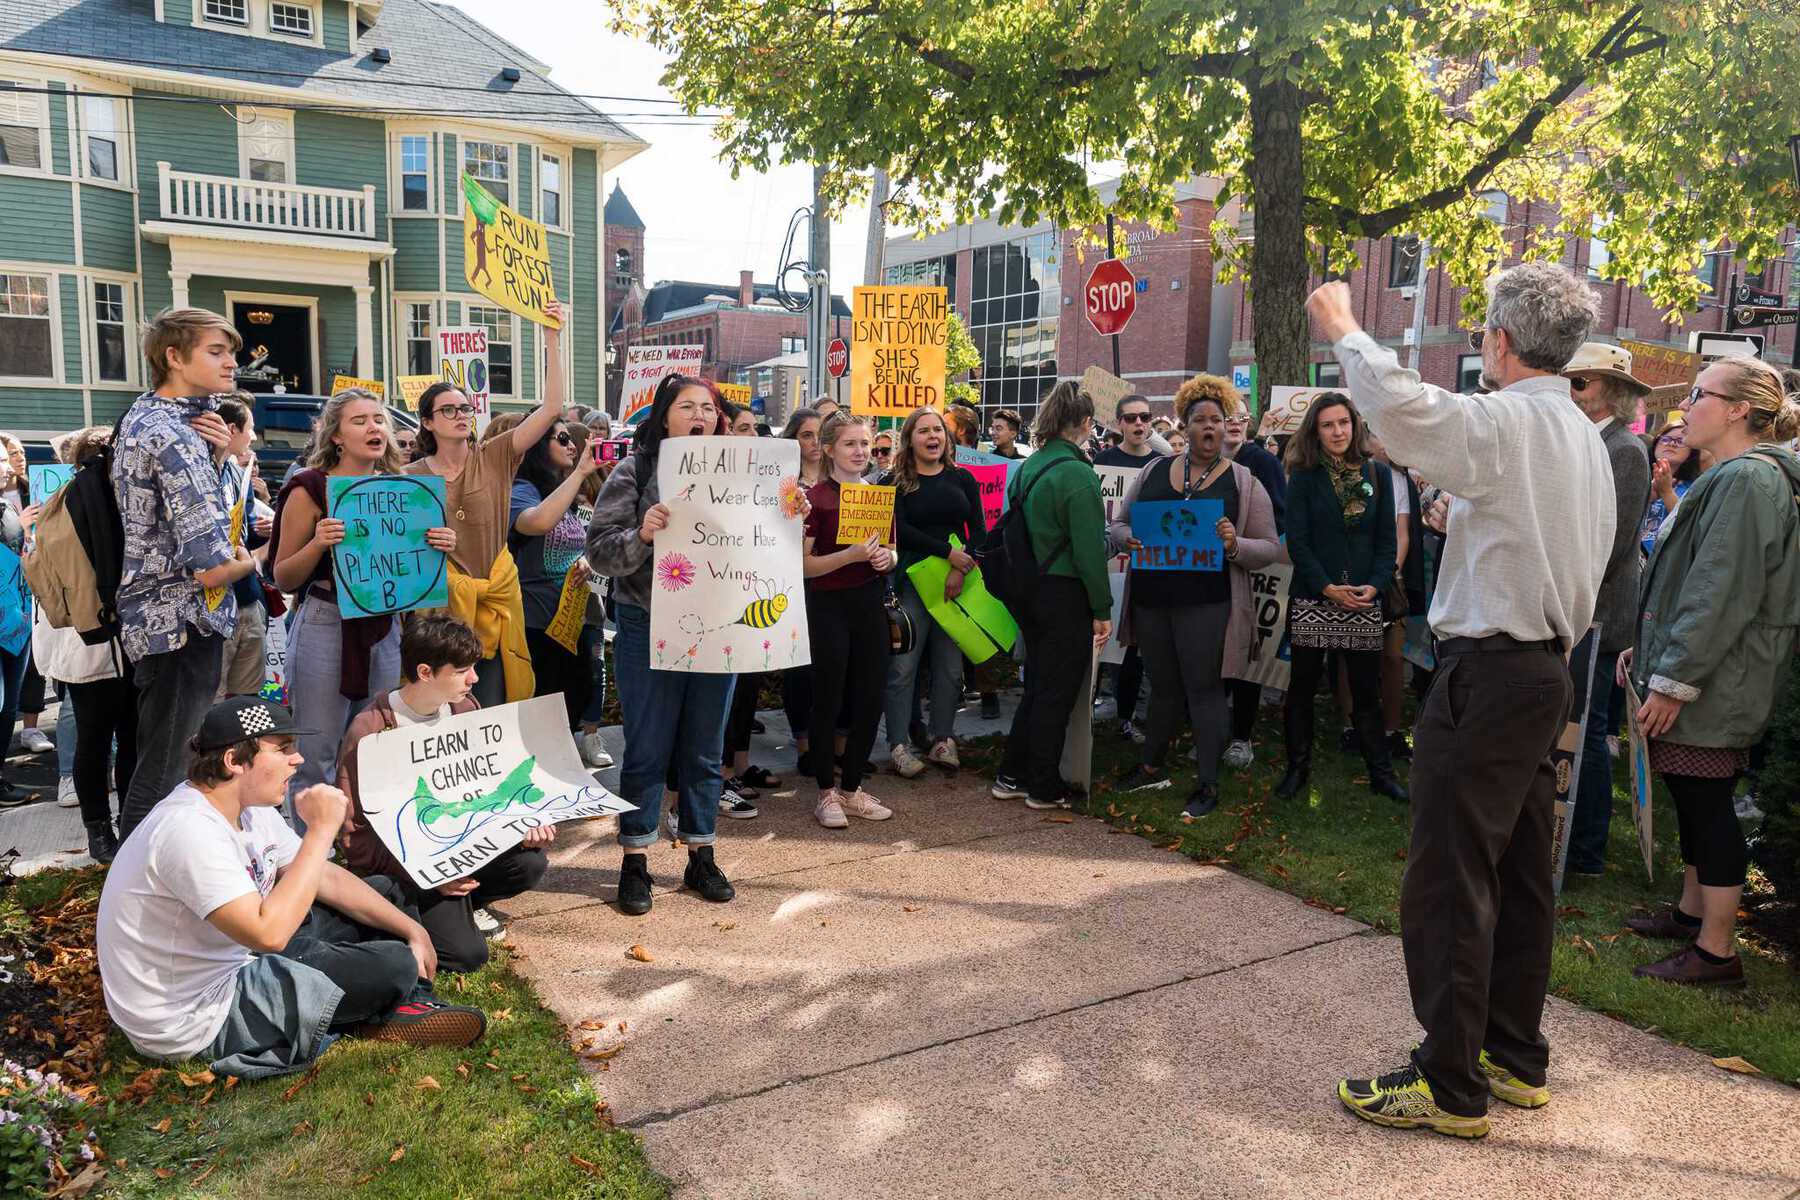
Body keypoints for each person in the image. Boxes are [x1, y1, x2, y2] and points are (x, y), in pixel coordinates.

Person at [1309, 262, 1613, 1139]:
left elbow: (1409, 414)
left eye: (1483, 331)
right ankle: (1513, 1055)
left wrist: (1344, 328)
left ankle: (1448, 1078)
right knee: (1517, 870)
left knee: (1447, 873)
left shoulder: (1511, 420)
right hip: (1545, 666)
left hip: (1490, 673)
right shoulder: (1581, 434)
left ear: (1500, 342)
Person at [95, 697, 487, 1079]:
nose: (297, 759)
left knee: (386, 895)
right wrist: (321, 830)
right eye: (283, 749)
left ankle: (388, 1005)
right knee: (394, 962)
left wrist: (412, 929)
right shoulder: (188, 830)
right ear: (234, 761)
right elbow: (269, 934)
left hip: (237, 958)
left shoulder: (247, 809)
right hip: (198, 1014)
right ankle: (394, 1004)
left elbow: (324, 878)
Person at [1623, 357, 1800, 986]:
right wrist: (1646, 656)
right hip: (1707, 672)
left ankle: (1717, 951)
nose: (1686, 405)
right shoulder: (1730, 476)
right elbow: (1686, 582)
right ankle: (1691, 913)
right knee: (1695, 798)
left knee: (1706, 802)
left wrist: (1673, 680)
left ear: (1737, 410)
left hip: (1718, 680)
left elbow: (1720, 591)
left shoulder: (1750, 481)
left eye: (1700, 394)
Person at [587, 374, 742, 916]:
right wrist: (643, 535)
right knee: (648, 748)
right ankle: (635, 861)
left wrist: (787, 515)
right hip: (647, 626)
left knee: (704, 750)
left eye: (708, 407)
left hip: (719, 627)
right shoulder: (636, 471)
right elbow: (602, 553)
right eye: (687, 406)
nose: (700, 415)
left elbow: (762, 545)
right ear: (665, 416)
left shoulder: (743, 476)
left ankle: (702, 854)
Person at [113, 308, 260, 841]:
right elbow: (213, 565)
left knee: (163, 762)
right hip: (179, 623)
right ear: (174, 357)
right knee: (166, 774)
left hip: (165, 619)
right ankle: (138, 901)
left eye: (232, 352)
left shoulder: (155, 419)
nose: (231, 363)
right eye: (216, 352)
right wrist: (265, 558)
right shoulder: (171, 435)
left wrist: (219, 455)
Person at [336, 616, 555, 970]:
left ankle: (466, 903)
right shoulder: (370, 730)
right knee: (468, 955)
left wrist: (523, 826)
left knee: (530, 862)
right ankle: (407, 913)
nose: (475, 678)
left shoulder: (465, 709)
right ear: (425, 672)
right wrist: (427, 877)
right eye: (462, 671)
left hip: (457, 852)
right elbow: (356, 837)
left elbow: (485, 793)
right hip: (405, 867)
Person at [1106, 385, 1284, 818]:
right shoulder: (1153, 472)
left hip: (1206, 604)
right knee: (1163, 686)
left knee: (1203, 690)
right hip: (1152, 600)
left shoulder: (1243, 482)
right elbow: (1118, 524)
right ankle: (1151, 765)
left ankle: (1207, 783)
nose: (1210, 426)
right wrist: (1125, 537)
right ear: (1186, 424)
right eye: (1201, 419)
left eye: (1217, 420)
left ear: (1227, 428)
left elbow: (1269, 548)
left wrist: (1233, 544)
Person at [271, 390, 454, 809]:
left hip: (386, 625)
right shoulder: (310, 488)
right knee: (315, 753)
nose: (374, 428)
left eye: (379, 420)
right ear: (335, 435)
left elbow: (413, 566)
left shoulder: (404, 491)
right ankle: (311, 859)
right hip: (326, 623)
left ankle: (367, 851)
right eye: (360, 421)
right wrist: (318, 543)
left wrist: (439, 543)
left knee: (376, 747)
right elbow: (283, 574)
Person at [410, 301, 568, 707]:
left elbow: (551, 409)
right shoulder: (409, 476)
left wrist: (551, 339)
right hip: (438, 612)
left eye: (465, 408)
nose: (460, 415)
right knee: (441, 711)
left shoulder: (495, 454)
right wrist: (425, 542)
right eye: (448, 410)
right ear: (428, 422)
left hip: (494, 606)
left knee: (492, 705)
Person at [1273, 393, 1406, 803]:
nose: (1337, 431)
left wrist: (1376, 584)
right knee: (1302, 689)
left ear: (1355, 425)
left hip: (1363, 600)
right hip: (1315, 598)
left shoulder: (1378, 474)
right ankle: (1297, 770)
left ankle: (1380, 774)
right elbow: (1298, 541)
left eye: (1343, 423)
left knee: (1367, 692)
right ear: (1316, 429)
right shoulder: (1303, 475)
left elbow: (1387, 542)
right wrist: (1327, 588)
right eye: (1328, 425)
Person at [990, 383, 1111, 810]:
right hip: (1064, 593)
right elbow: (1090, 551)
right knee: (1055, 691)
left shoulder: (1029, 467)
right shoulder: (1077, 473)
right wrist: (1102, 609)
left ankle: (1012, 774)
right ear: (1083, 423)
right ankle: (1043, 784)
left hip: (1027, 588)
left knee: (1038, 685)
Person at [1560, 343, 1652, 879]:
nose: (1570, 392)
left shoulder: (1623, 449)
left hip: (1597, 613)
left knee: (1589, 733)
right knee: (1577, 728)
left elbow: (1611, 545)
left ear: (1609, 391)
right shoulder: (1593, 440)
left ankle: (1585, 853)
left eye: (1579, 383)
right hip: (1581, 606)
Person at [802, 413, 898, 828]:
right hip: (827, 607)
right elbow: (803, 565)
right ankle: (826, 792)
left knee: (871, 696)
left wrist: (885, 557)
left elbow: (893, 550)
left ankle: (853, 787)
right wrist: (851, 555)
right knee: (829, 698)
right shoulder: (817, 498)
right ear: (829, 450)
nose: (860, 452)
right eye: (850, 444)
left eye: (866, 444)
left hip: (869, 604)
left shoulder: (878, 494)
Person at [882, 406, 985, 777]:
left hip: (957, 586)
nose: (932, 437)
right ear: (909, 439)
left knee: (950, 668)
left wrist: (963, 565)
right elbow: (900, 530)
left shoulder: (963, 479)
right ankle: (897, 745)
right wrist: (947, 554)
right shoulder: (894, 482)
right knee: (902, 668)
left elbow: (980, 532)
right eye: (923, 430)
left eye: (938, 430)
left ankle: (944, 739)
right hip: (912, 584)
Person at [510, 411, 603, 729]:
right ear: (537, 445)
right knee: (543, 712)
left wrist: (585, 562)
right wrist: (580, 474)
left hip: (569, 621)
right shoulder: (522, 489)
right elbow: (535, 522)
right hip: (534, 624)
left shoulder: (564, 491)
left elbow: (578, 545)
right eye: (562, 439)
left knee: (575, 700)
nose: (571, 445)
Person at [1218, 379, 1289, 769]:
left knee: (1246, 655)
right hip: (1210, 574)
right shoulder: (1202, 460)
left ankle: (1242, 737)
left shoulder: (1262, 461)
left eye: (1242, 416)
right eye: (1229, 416)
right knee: (1213, 654)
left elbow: (1279, 515)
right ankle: (1212, 729)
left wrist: (1245, 543)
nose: (1236, 423)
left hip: (1251, 571)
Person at [1092, 393, 1162, 745]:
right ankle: (1087, 711)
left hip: (1144, 571)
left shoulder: (1163, 465)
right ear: (1118, 423)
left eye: (1144, 417)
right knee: (1100, 648)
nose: (1138, 424)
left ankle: (1125, 717)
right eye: (1131, 418)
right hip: (1105, 570)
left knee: (1133, 648)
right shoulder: (1102, 462)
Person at [777, 406, 826, 776]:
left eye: (820, 434)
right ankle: (805, 744)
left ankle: (831, 743)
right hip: (790, 584)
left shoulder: (839, 477)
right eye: (806, 435)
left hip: (832, 583)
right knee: (798, 668)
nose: (814, 442)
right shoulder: (782, 481)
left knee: (829, 667)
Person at [213, 395, 269, 700]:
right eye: (251, 428)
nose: (254, 436)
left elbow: (245, 532)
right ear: (232, 429)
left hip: (247, 600)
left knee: (247, 699)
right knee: (211, 700)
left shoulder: (237, 473)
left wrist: (266, 533)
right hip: (212, 605)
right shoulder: (199, 474)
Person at [1642, 416, 1704, 554]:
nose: (1672, 444)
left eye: (1680, 441)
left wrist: (1667, 492)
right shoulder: (1637, 475)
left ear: (1691, 452)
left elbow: (1689, 526)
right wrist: (1647, 496)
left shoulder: (1697, 486)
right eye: (1666, 439)